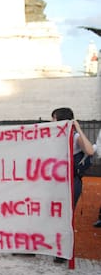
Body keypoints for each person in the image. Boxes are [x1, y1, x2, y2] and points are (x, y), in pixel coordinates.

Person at [51, 107, 95, 263]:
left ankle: (62, 251)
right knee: (48, 214)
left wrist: (78, 129)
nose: (52, 122)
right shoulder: (53, 137)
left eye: (54, 119)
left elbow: (89, 151)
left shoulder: (75, 137)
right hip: (54, 182)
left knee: (65, 217)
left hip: (70, 183)